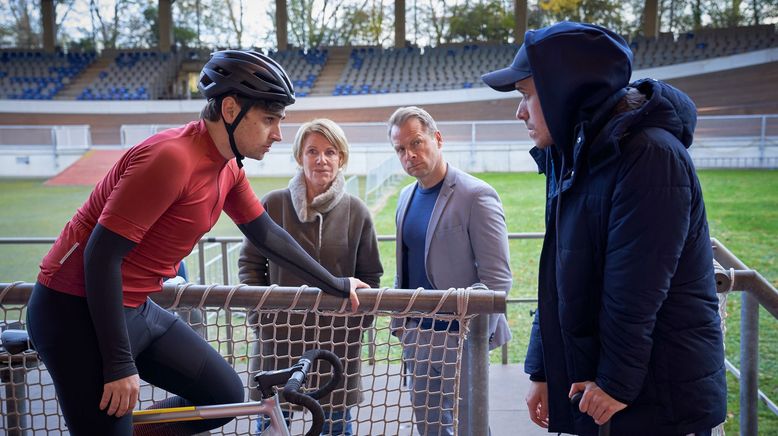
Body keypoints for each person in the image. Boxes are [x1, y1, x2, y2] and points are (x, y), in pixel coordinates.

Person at [26, 50, 367, 436]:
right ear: (230, 108)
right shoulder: (171, 159)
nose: (277, 134)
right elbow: (100, 257)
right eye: (269, 120)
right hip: (74, 310)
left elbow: (267, 234)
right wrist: (119, 365)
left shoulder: (228, 168)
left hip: (133, 306)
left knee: (222, 395)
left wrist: (336, 284)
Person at [482, 21, 726, 435]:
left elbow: (636, 290)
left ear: (565, 92)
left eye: (527, 95)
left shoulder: (650, 155)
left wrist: (615, 381)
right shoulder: (573, 155)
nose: (519, 111)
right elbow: (557, 273)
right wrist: (543, 370)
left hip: (656, 401)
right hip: (607, 393)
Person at [238, 118, 383, 435]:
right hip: (277, 349)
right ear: (299, 156)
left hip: (336, 354)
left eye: (330, 152)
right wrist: (263, 322)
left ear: (341, 158)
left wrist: (352, 328)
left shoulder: (356, 212)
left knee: (335, 429)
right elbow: (250, 266)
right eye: (312, 151)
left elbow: (371, 276)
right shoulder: (273, 205)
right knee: (272, 429)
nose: (321, 159)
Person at [387, 106, 512, 435]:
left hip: (461, 337)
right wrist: (404, 327)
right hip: (417, 336)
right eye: (400, 149)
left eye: (416, 143)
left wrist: (475, 340)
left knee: (471, 426)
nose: (409, 154)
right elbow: (406, 267)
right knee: (428, 426)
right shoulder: (404, 197)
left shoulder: (476, 194)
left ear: (437, 138)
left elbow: (498, 278)